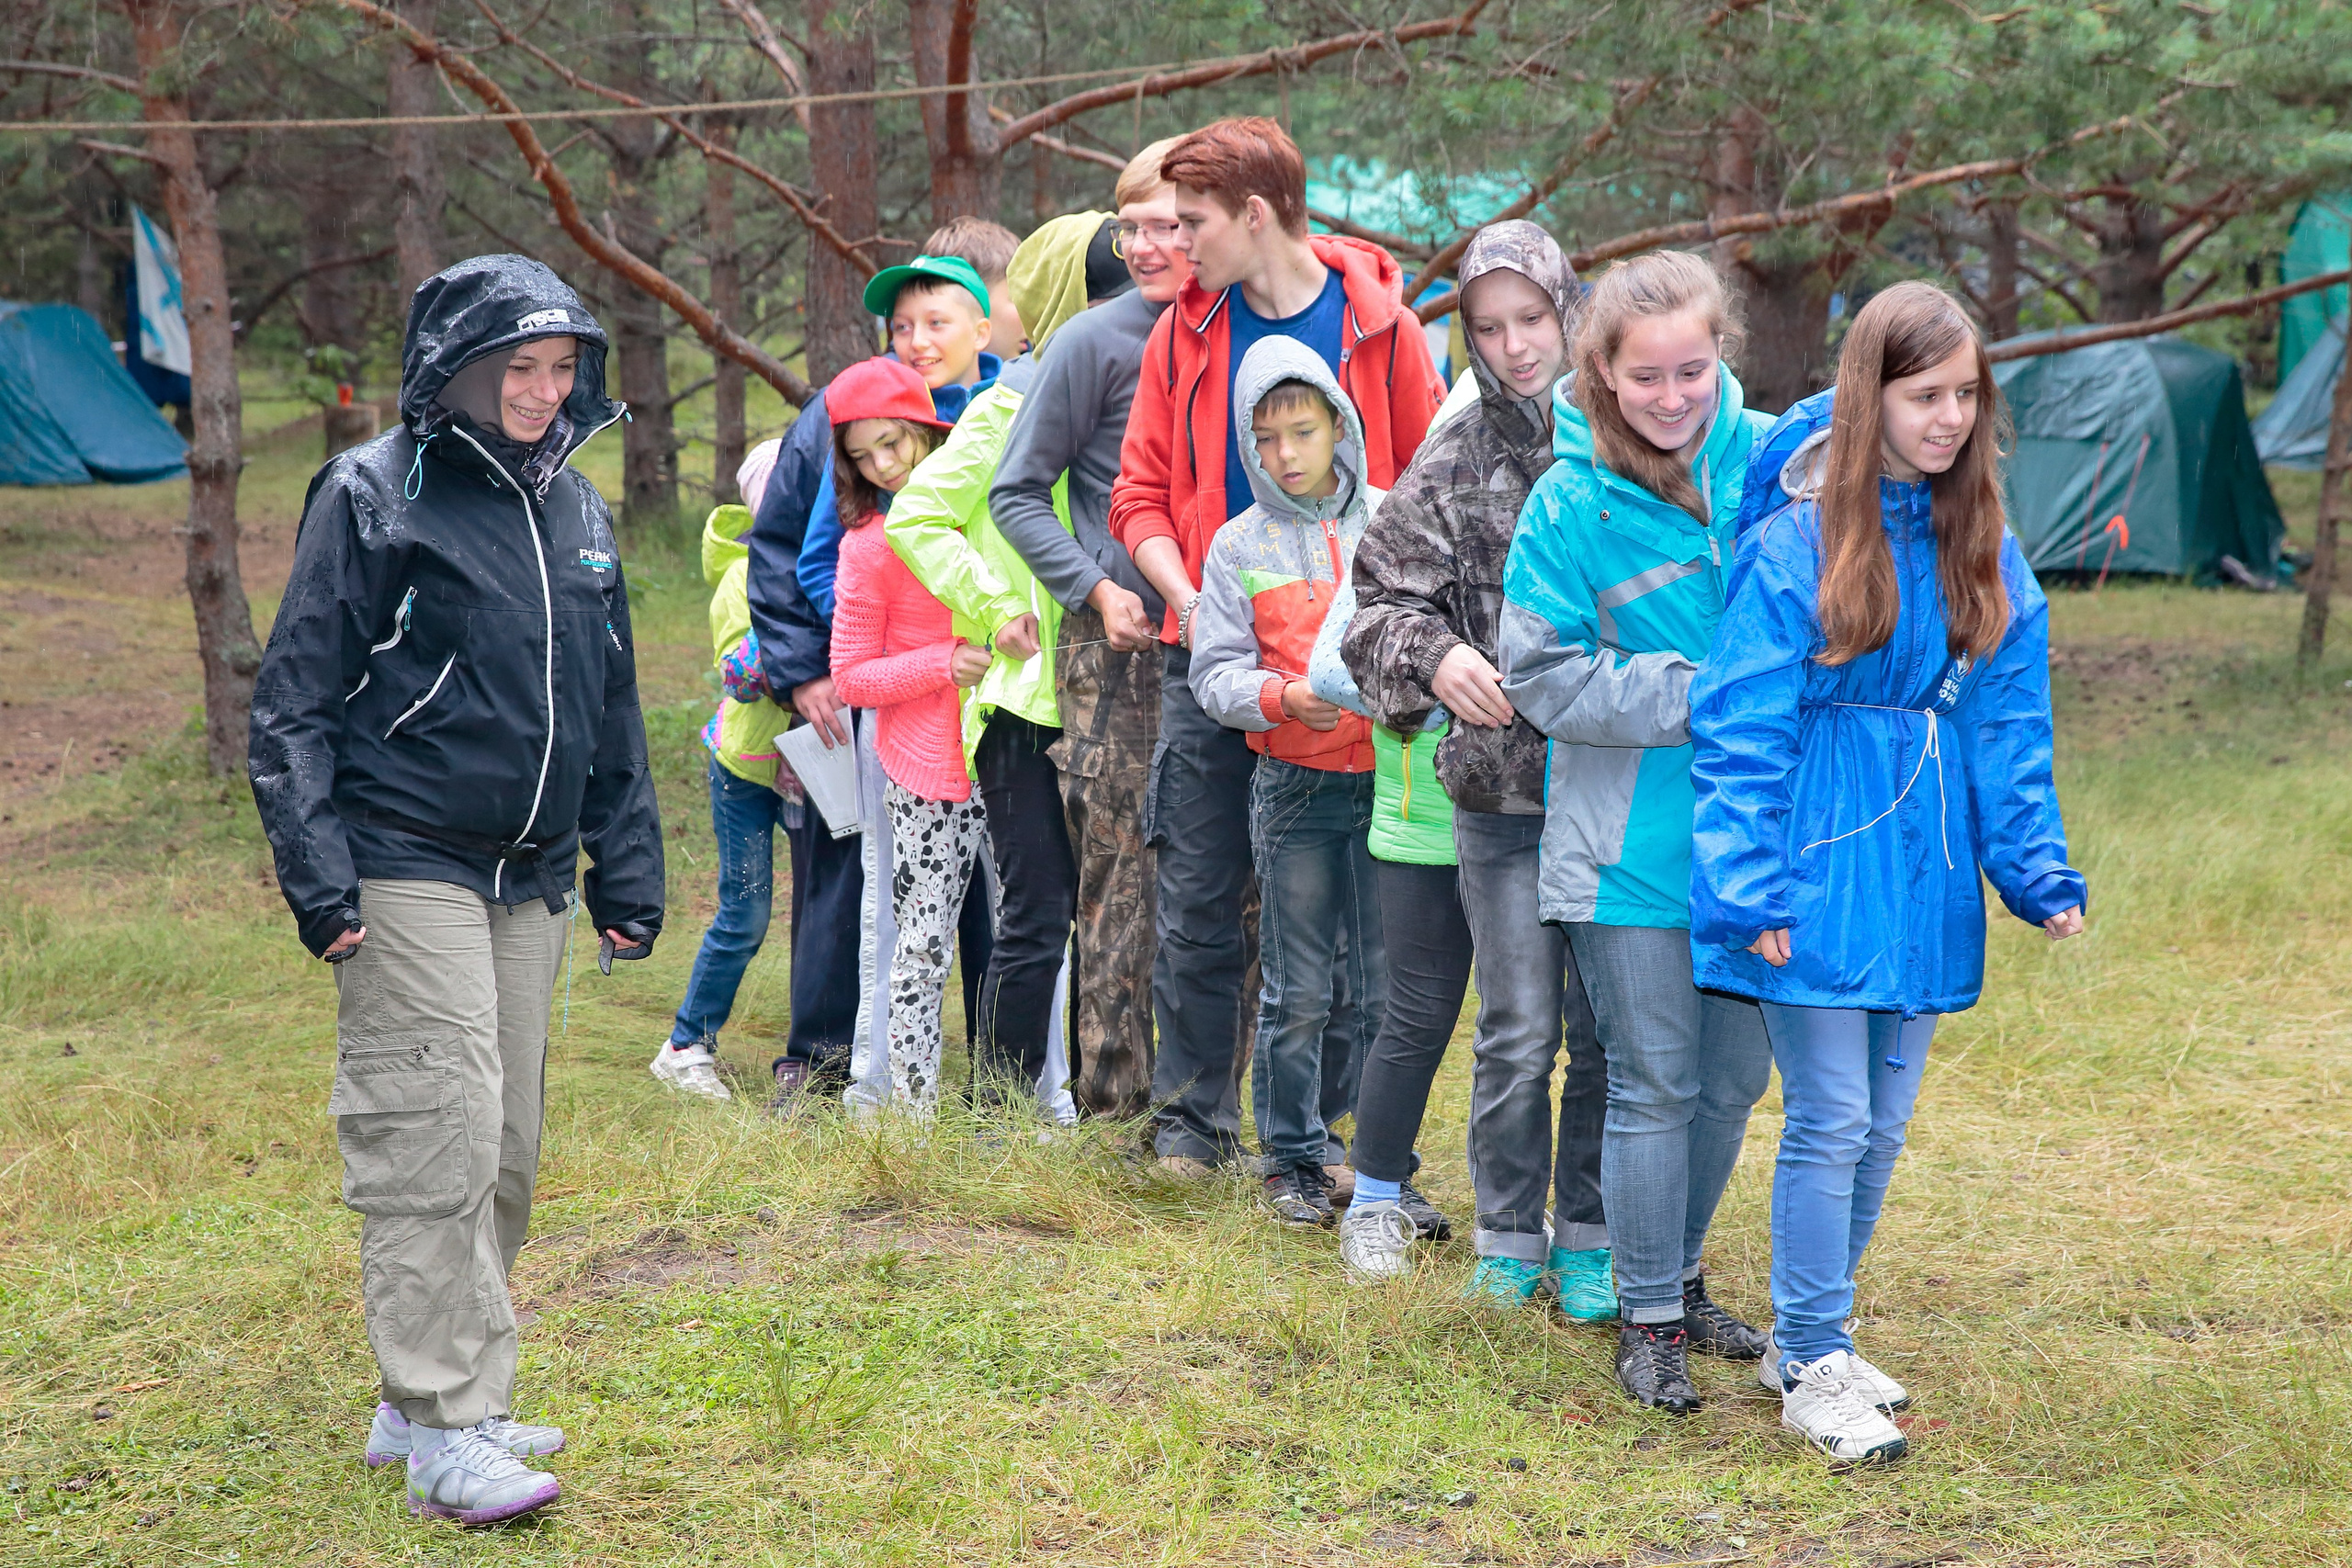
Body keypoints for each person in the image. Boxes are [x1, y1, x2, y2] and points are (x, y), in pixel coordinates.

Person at [248, 255, 662, 1525]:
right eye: (515, 370)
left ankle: (415, 1387)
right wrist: (319, 876)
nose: (543, 393)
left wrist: (624, 859)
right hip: (405, 854)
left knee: (508, 1147)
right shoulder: (374, 493)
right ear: (457, 371)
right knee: (434, 1129)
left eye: (559, 370)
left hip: (529, 873)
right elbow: (294, 701)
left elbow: (612, 700)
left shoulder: (578, 509)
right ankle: (449, 1421)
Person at [1690, 281, 2086, 1464]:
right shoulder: (1797, 538)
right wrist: (1749, 882)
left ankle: (1817, 1331)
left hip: (1922, 869)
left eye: (1967, 395)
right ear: (1872, 396)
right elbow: (1742, 721)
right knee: (1831, 1113)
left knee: (1885, 1121)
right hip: (1816, 857)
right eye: (1925, 395)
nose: (1950, 417)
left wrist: (2033, 866)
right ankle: (1811, 1358)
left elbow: (2010, 725)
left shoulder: (1985, 545)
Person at [1110, 116, 1444, 1176]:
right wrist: (1202, 601)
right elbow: (1140, 496)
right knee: (1200, 892)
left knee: (1361, 917)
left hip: (1355, 685)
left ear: (1255, 216)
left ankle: (1334, 1138)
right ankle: (1190, 1121)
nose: (1174, 243)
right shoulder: (1184, 330)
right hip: (1212, 664)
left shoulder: (1383, 326)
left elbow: (1426, 495)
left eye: (1192, 222)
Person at [1498, 251, 1773, 1414]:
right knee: (1654, 1081)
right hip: (1623, 851)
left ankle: (1682, 1270)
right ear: (1600, 373)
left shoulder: (1774, 466)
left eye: (1694, 372)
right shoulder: (1564, 503)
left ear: (1722, 361)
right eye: (1646, 376)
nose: (1673, 397)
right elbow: (1538, 674)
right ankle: (1647, 1318)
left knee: (1731, 1082)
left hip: (1760, 842)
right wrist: (1705, 691)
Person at [1334, 221, 1608, 1301]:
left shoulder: (1635, 430)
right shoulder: (1452, 458)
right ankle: (1507, 1239)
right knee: (1517, 1027)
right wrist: (1435, 653)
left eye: (1531, 321)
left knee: (1606, 1031)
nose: (1514, 347)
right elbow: (1375, 606)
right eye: (1489, 329)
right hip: (1499, 795)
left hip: (1625, 787)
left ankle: (1587, 1232)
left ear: (1568, 310)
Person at [744, 238, 1006, 1107]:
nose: (919, 339)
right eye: (902, 325)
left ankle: (998, 1075)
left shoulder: (1006, 402)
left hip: (989, 693)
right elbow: (804, 553)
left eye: (937, 320)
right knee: (853, 881)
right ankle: (822, 1057)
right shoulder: (855, 409)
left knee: (993, 899)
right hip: (877, 690)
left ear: (987, 315)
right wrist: (815, 666)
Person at [884, 211, 1134, 1112]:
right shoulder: (1008, 405)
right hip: (1023, 707)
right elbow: (916, 519)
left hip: (1118, 693)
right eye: (1108, 287)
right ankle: (994, 1119)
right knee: (1038, 918)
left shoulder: (1131, 389)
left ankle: (1102, 1116)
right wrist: (997, 611)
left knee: (1114, 915)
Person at [991, 138, 1192, 1120]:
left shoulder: (1244, 332)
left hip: (1239, 652)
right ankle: (1118, 1115)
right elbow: (1016, 493)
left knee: (1230, 887)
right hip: (1114, 652)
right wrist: (1090, 589)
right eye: (1133, 227)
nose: (1149, 247)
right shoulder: (1090, 343)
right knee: (1118, 885)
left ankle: (1210, 1112)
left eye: (1170, 226)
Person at [1188, 343, 1384, 1224]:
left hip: (1394, 790)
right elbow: (1213, 674)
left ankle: (1375, 1161)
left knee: (1381, 986)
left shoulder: (1390, 521)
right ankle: (1291, 1158)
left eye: (1303, 431)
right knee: (1299, 987)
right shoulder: (1238, 544)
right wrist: (1278, 698)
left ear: (1340, 426)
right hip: (1294, 789)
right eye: (1265, 439)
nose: (1287, 454)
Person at [827, 359, 997, 1112]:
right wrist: (941, 664)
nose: (884, 466)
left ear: (932, 430)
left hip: (1014, 745)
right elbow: (852, 675)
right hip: (924, 764)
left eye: (894, 443)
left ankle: (1030, 1107)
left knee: (1031, 939)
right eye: (864, 455)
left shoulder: (988, 508)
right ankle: (913, 1117)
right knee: (923, 946)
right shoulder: (868, 545)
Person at [652, 444, 795, 1100]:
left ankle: (829, 1046)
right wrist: (789, 615)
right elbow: (739, 675)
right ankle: (685, 1044)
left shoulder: (827, 559)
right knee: (747, 912)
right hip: (746, 768)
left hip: (815, 770)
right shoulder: (742, 578)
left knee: (828, 909)